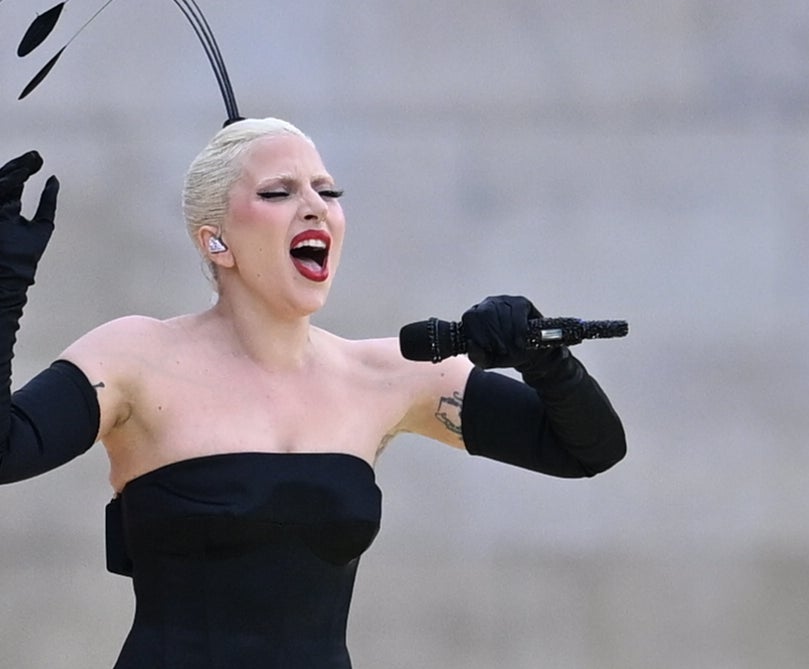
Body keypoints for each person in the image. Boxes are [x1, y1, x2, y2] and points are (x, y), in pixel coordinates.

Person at [0, 117, 626, 668]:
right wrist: (3, 282)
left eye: (328, 192)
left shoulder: (387, 374)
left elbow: (585, 449)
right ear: (215, 240)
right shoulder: (135, 357)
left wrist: (546, 362)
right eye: (278, 192)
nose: (315, 207)